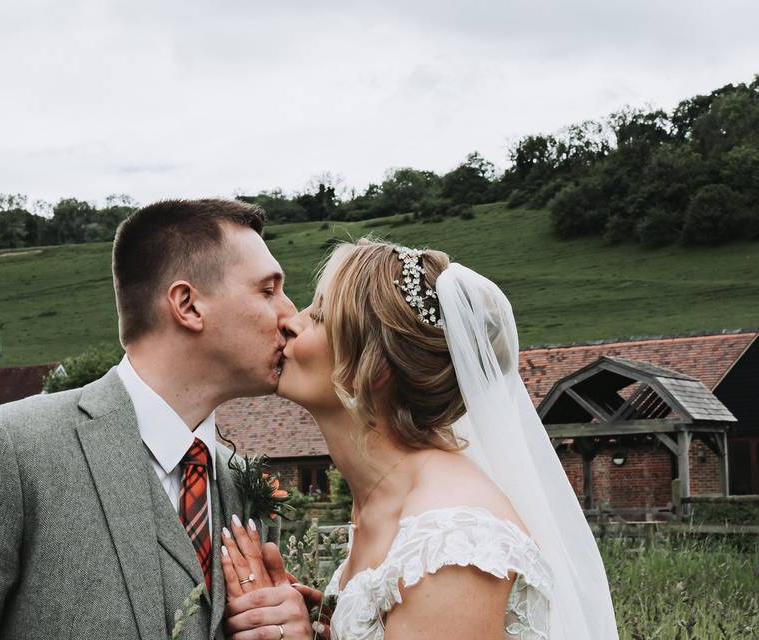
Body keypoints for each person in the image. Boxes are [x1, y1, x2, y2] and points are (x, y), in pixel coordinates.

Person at [0, 199, 312, 640]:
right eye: (268, 290)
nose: (291, 316)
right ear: (188, 305)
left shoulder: (244, 484)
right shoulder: (9, 450)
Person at [221, 239, 619, 639]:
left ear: (372, 369)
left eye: (319, 317)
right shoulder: (383, 502)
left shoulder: (452, 542)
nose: (290, 320)